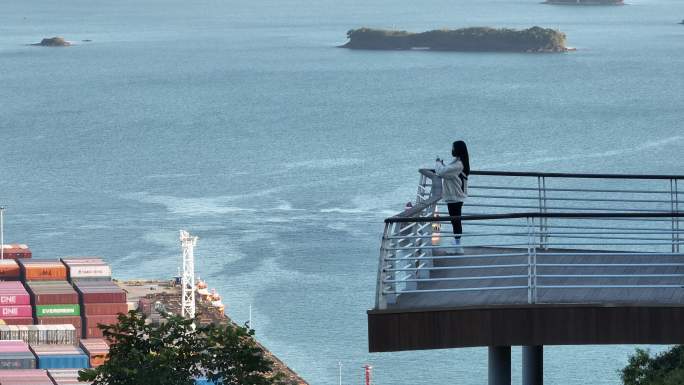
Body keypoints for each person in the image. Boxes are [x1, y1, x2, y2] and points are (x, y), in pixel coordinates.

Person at [435, 140, 470, 253]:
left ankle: (458, 245)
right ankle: (457, 244)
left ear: (457, 150)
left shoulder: (458, 164)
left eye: (453, 148)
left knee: (455, 220)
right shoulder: (459, 163)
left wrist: (438, 163)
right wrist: (444, 166)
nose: (452, 150)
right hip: (455, 195)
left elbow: (441, 172)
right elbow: (448, 173)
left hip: (455, 195)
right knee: (455, 219)